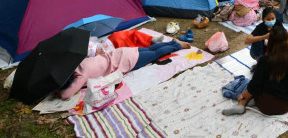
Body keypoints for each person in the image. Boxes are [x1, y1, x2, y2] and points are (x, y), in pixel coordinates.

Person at [59, 39, 191, 100]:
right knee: (151, 49)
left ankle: (177, 46)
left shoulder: (81, 76)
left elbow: (66, 94)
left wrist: (58, 92)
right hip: (121, 52)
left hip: (128, 60)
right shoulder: (80, 62)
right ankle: (171, 42)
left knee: (155, 54)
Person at [222, 26, 288, 116]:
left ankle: (241, 103)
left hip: (267, 106)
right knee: (261, 83)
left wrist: (243, 95)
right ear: (287, 40)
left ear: (270, 41)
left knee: (247, 83)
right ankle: (249, 101)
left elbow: (254, 86)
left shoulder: (265, 60)